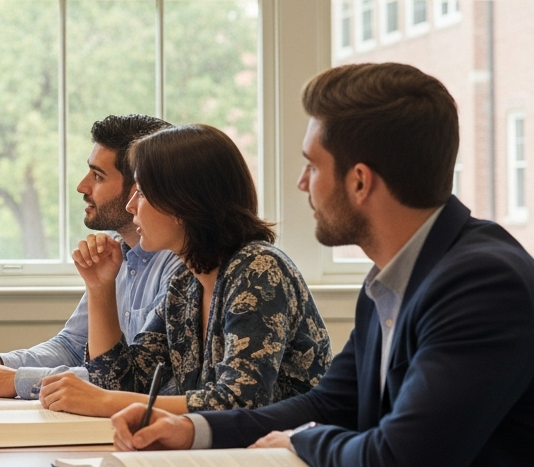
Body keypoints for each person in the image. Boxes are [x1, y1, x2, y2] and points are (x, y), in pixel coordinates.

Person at [111, 63, 534, 467]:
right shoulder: (392, 277)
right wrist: (193, 430)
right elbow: (327, 403)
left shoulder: (483, 283)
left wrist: (302, 441)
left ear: (360, 181)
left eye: (312, 165)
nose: (301, 183)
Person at [39, 124, 332, 418]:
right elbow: (120, 383)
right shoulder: (185, 283)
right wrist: (100, 287)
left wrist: (104, 402)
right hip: (229, 453)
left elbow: (239, 402)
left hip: (289, 456)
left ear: (181, 203)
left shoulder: (259, 269)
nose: (130, 207)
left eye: (140, 192)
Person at [0, 115, 183, 399]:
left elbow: (134, 380)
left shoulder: (181, 265)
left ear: (141, 185)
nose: (82, 186)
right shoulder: (116, 253)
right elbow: (73, 345)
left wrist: (17, 380)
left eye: (98, 176)